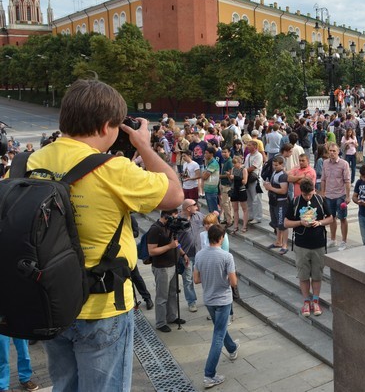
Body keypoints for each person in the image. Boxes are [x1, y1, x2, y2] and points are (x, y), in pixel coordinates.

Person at [26, 79, 183, 391]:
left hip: (49, 303)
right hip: (102, 307)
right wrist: (143, 145)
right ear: (106, 126)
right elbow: (175, 194)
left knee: (64, 385)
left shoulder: (28, 162)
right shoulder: (113, 170)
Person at [193, 224, 239, 389]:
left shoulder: (199, 255)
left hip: (209, 299)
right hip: (223, 299)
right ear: (221, 238)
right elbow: (233, 282)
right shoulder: (227, 256)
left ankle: (232, 348)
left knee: (220, 328)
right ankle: (209, 374)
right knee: (218, 335)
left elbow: (196, 280)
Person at [284, 179, 333, 317]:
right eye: (305, 195)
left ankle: (315, 301)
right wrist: (300, 222)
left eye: (310, 194)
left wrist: (320, 222)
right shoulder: (295, 201)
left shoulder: (320, 199)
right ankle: (306, 301)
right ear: (301, 192)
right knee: (303, 275)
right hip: (301, 244)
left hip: (318, 243)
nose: (308, 197)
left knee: (317, 275)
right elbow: (286, 223)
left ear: (314, 190)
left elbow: (331, 218)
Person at [147, 209, 189, 333]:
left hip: (173, 265)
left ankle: (171, 317)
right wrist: (170, 247)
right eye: (174, 216)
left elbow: (176, 243)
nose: (176, 219)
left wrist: (183, 254)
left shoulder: (170, 227)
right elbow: (152, 251)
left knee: (172, 293)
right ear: (166, 216)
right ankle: (160, 322)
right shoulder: (155, 229)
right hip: (162, 268)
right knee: (162, 296)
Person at [320, 142, 351, 250]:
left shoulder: (344, 164)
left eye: (334, 151)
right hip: (328, 195)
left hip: (340, 195)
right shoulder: (325, 163)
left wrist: (348, 196)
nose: (332, 153)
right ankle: (333, 239)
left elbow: (347, 181)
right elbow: (323, 179)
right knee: (331, 218)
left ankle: (344, 241)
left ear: (338, 152)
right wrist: (322, 193)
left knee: (343, 218)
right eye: (330, 151)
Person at [265, 155, 290, 255]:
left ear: (282, 165)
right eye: (273, 165)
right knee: (276, 224)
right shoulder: (275, 172)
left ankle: (284, 245)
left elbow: (284, 190)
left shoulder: (283, 175)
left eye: (276, 165)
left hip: (281, 202)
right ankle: (278, 241)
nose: (274, 167)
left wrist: (270, 188)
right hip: (273, 201)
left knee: (282, 224)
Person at [244, 140, 264, 224]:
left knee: (256, 199)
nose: (247, 147)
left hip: (255, 179)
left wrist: (243, 171)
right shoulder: (248, 155)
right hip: (248, 179)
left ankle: (258, 217)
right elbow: (245, 166)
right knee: (249, 199)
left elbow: (253, 167)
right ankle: (251, 215)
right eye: (247, 145)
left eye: (249, 145)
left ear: (255, 147)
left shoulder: (258, 156)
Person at [228, 156, 249, 233]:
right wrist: (229, 177)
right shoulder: (233, 169)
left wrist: (235, 177)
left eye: (235, 163)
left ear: (240, 163)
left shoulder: (244, 170)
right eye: (233, 163)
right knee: (235, 209)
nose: (234, 165)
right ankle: (236, 226)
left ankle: (244, 226)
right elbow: (231, 181)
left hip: (241, 190)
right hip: (234, 190)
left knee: (244, 209)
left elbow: (244, 181)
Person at [202, 146, 221, 214]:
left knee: (214, 211)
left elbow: (204, 177)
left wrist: (203, 174)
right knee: (210, 210)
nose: (205, 155)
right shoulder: (208, 163)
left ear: (211, 154)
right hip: (207, 189)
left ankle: (216, 224)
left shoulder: (213, 164)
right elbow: (203, 175)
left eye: (206, 153)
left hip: (212, 190)